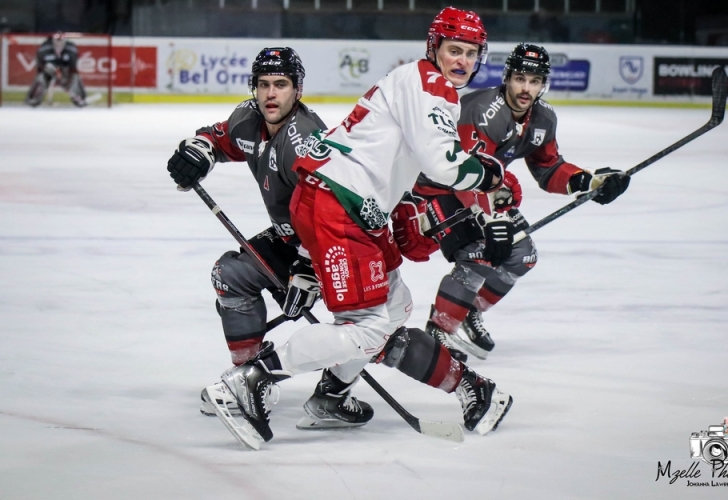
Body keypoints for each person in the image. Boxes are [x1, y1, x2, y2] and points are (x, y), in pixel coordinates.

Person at [201, 7, 513, 447]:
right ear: (434, 49)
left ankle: (332, 395)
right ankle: (251, 380)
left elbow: (425, 162)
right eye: (453, 50)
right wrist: (487, 178)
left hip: (349, 206)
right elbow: (442, 164)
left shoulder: (418, 83)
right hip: (341, 207)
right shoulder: (430, 85)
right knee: (367, 327)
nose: (460, 60)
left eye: (470, 53)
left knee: (396, 307)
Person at [167, 47, 378, 430]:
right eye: (263, 85)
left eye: (280, 85)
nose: (270, 94)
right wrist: (200, 151)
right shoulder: (249, 119)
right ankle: (247, 381)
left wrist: (311, 268)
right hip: (293, 242)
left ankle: (334, 393)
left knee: (367, 325)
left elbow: (332, 214)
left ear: (297, 90)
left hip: (338, 249)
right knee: (230, 275)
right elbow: (220, 139)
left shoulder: (305, 141)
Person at [392, 43, 631, 361]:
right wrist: (491, 221)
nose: (526, 88)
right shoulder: (482, 111)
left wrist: (589, 181)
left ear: (543, 84)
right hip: (434, 190)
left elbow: (549, 169)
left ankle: (468, 311)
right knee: (480, 252)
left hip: (483, 192)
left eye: (534, 81)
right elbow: (462, 173)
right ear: (507, 78)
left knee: (523, 254)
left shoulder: (543, 118)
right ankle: (440, 330)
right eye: (520, 78)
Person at [25, 32, 87, 107]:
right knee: (40, 78)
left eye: (61, 41)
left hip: (65, 72)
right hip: (48, 71)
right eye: (57, 41)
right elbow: (40, 66)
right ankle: (34, 98)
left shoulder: (71, 49)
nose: (59, 43)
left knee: (75, 78)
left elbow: (73, 68)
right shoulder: (44, 48)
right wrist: (48, 70)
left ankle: (79, 97)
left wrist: (65, 80)